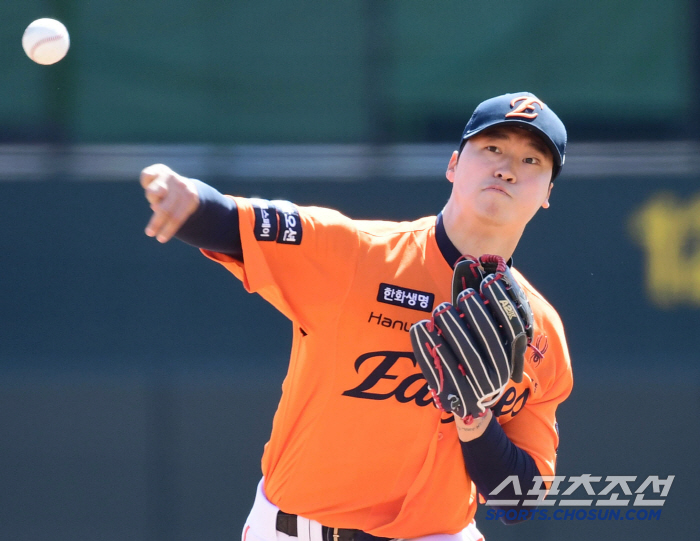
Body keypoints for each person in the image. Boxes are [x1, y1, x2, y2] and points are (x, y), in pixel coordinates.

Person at [140, 92, 573, 541]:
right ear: (452, 164)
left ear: (547, 195)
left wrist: (476, 422)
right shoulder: (359, 254)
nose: (507, 168)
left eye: (531, 160)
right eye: (492, 148)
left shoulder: (541, 333)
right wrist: (190, 199)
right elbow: (236, 222)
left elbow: (518, 499)